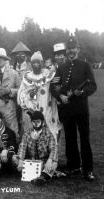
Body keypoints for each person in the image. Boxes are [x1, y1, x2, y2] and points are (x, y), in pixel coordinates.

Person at [50, 36, 97, 181]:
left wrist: (81, 92)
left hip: (81, 109)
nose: (71, 51)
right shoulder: (61, 67)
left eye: (73, 48)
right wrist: (61, 96)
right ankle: (74, 166)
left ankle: (87, 169)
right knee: (70, 139)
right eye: (69, 49)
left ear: (78, 49)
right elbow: (53, 86)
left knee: (84, 139)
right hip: (67, 110)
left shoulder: (85, 65)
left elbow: (92, 86)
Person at [17, 51, 61, 140]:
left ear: (42, 63)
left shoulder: (49, 75)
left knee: (49, 136)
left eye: (38, 62)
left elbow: (55, 91)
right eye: (33, 62)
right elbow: (21, 96)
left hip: (47, 110)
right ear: (31, 64)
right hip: (32, 112)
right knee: (33, 137)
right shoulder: (27, 77)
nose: (36, 65)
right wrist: (30, 95)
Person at [15, 111, 58, 186]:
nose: (36, 124)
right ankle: (30, 173)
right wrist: (21, 160)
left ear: (42, 122)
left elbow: (53, 148)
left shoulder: (48, 133)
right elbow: (22, 147)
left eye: (38, 121)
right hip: (31, 161)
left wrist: (50, 160)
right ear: (31, 122)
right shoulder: (27, 133)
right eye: (33, 122)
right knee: (15, 158)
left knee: (54, 161)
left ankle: (42, 177)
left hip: (45, 162)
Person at [0, 48, 21, 138]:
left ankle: (13, 149)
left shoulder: (14, 73)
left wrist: (10, 91)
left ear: (5, 60)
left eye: (1, 58)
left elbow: (21, 89)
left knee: (12, 130)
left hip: (9, 105)